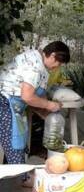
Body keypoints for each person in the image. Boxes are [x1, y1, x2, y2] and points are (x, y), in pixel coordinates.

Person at [0, 41, 70, 183]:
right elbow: (28, 96)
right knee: (14, 143)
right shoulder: (35, 66)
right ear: (52, 55)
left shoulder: (39, 62)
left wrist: (47, 115)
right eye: (59, 63)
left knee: (18, 140)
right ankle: (18, 181)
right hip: (5, 102)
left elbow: (34, 98)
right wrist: (50, 105)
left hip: (15, 106)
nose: (58, 67)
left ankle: (13, 178)